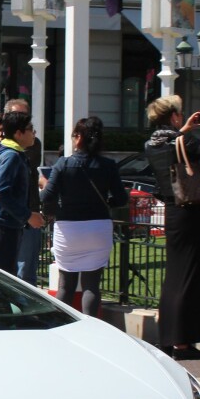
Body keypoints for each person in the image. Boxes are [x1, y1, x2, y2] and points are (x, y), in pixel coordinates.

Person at [145, 96, 200, 359]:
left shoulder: (152, 143)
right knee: (190, 276)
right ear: (173, 117)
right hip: (190, 210)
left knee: (175, 276)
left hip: (173, 213)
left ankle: (170, 338)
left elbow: (171, 146)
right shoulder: (183, 141)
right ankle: (184, 343)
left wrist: (182, 131)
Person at [39, 117, 127, 318]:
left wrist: (44, 184)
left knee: (66, 285)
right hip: (98, 225)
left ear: (78, 138)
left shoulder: (63, 164)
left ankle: (60, 325)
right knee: (92, 285)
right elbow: (121, 198)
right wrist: (104, 203)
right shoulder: (108, 165)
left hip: (69, 227)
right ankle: (91, 326)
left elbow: (47, 197)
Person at [0, 111, 43, 274]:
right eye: (31, 129)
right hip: (2, 225)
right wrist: (28, 215)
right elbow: (2, 194)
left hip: (5, 223)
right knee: (1, 278)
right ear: (18, 133)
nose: (34, 134)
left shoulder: (11, 153)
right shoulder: (11, 156)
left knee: (3, 277)